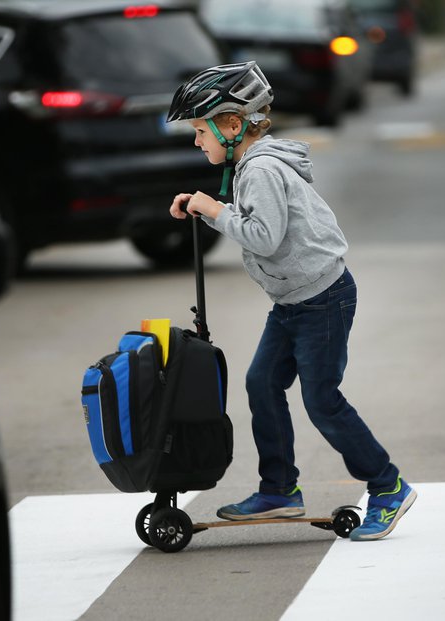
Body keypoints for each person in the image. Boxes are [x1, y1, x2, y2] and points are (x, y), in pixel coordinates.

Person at [165, 61, 416, 541]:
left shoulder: (259, 169)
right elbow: (259, 220)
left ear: (233, 125)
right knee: (261, 383)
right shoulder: (251, 165)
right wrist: (206, 204)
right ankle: (279, 490)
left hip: (322, 298)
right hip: (294, 301)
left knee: (322, 400)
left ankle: (388, 486)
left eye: (201, 130)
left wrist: (214, 210)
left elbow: (264, 236)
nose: (198, 141)